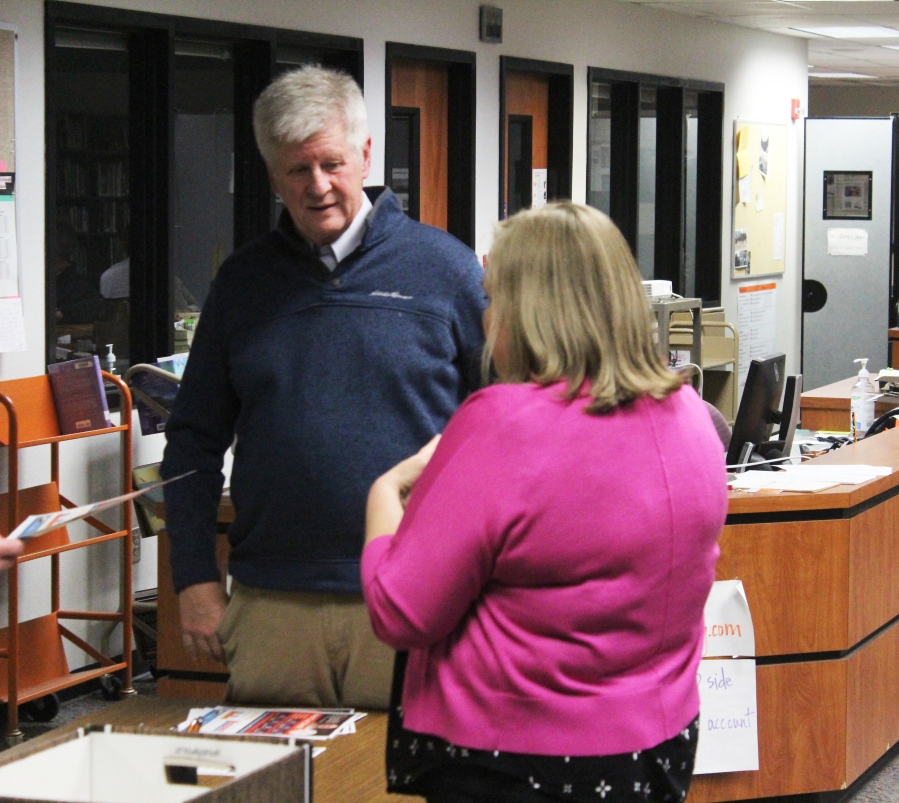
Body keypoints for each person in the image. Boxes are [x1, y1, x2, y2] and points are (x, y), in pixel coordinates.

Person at [362, 203, 728, 803]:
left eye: (493, 299)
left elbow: (402, 613)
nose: (486, 320)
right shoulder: (692, 416)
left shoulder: (501, 426)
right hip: (655, 750)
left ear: (527, 313)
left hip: (513, 761)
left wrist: (385, 492)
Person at [159, 65, 485, 709]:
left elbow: (504, 428)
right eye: (295, 171)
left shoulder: (444, 270)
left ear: (366, 155)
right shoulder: (243, 284)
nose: (317, 187)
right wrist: (194, 577)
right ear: (271, 172)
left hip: (413, 595)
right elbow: (193, 441)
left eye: (332, 164)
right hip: (274, 603)